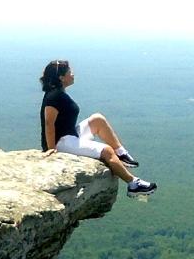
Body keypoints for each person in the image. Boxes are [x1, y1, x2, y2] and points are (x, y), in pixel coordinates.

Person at [39, 59, 157, 195]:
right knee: (107, 151)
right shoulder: (54, 97)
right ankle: (133, 184)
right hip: (62, 142)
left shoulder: (59, 93)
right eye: (69, 73)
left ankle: (121, 154)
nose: (73, 75)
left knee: (97, 119)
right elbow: (49, 123)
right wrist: (52, 148)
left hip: (69, 135)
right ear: (61, 78)